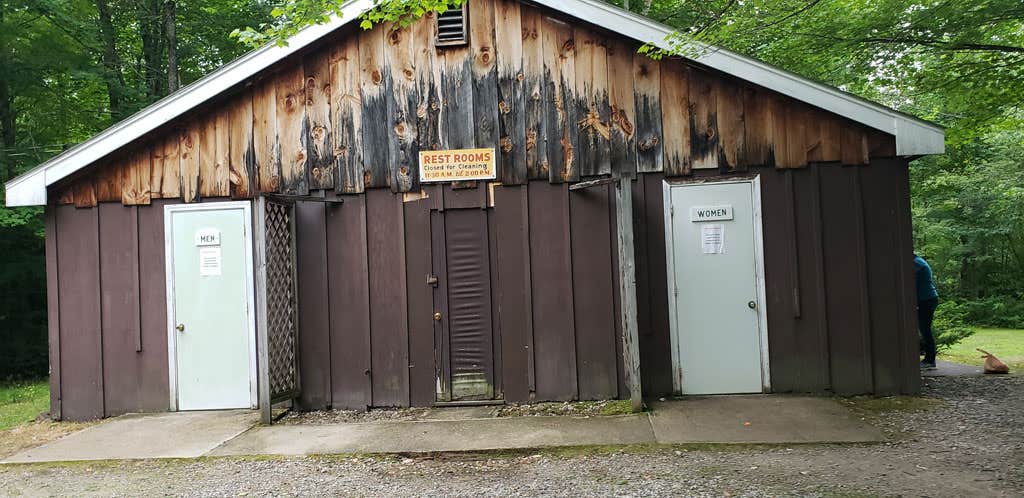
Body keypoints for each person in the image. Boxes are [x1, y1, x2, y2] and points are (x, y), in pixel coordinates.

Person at [915, 253, 939, 370]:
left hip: (926, 300)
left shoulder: (916, 264)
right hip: (927, 299)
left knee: (925, 329)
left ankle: (930, 360)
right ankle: (929, 359)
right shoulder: (918, 261)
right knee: (924, 329)